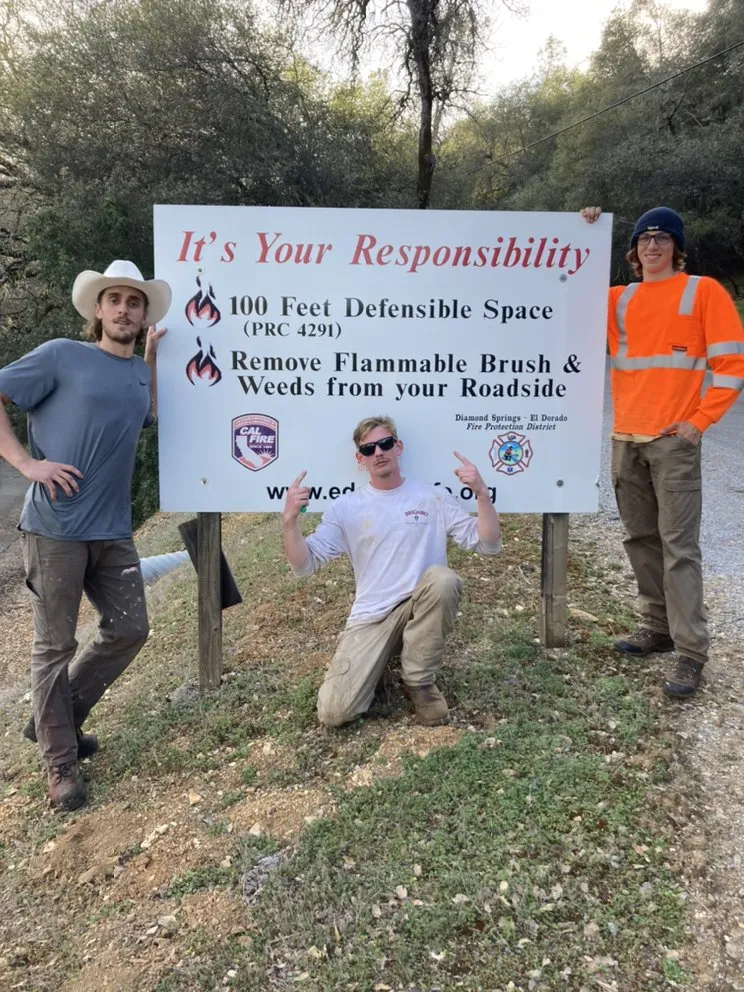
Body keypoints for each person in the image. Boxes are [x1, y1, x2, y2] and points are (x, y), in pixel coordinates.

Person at [0, 260, 171, 810]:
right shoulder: (60, 355)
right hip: (55, 530)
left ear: (144, 315)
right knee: (54, 647)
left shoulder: (139, 373)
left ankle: (59, 721)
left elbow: (143, 415)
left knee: (130, 630)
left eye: (134, 301)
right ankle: (60, 764)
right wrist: (27, 465)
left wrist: (152, 362)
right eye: (114, 299)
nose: (124, 309)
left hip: (113, 531)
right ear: (97, 309)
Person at [582, 206, 744, 697]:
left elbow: (732, 365)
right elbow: (565, 285)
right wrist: (585, 229)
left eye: (663, 239)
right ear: (633, 251)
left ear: (677, 248)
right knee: (640, 540)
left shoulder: (703, 292)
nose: (653, 246)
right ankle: (656, 628)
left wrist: (698, 424)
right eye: (644, 239)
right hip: (626, 438)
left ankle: (691, 652)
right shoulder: (618, 299)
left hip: (673, 442)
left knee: (679, 548)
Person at [282, 415, 502, 727]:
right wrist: (290, 522)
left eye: (385, 444)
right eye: (369, 449)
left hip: (419, 606)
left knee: (444, 581)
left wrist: (482, 493)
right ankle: (381, 662)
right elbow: (304, 564)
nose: (378, 453)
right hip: (371, 617)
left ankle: (419, 681)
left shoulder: (433, 497)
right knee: (334, 714)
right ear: (360, 459)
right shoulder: (345, 508)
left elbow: (487, 544)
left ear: (398, 447)